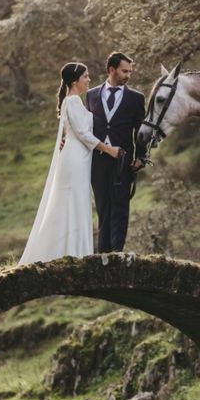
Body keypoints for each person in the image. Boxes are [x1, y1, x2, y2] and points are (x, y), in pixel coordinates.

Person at [19, 61, 123, 264]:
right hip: (75, 158)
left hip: (80, 157)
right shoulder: (73, 101)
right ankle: (72, 252)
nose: (89, 80)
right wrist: (109, 149)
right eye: (85, 76)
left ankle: (74, 251)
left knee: (77, 199)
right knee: (73, 200)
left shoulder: (74, 101)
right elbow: (83, 134)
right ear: (75, 81)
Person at [86, 51, 146, 252]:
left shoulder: (136, 98)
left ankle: (117, 254)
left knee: (120, 208)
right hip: (98, 160)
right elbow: (86, 128)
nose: (128, 75)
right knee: (103, 209)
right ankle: (102, 255)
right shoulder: (91, 95)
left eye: (130, 71)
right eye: (124, 71)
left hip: (123, 161)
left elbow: (141, 131)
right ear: (111, 70)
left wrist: (141, 156)